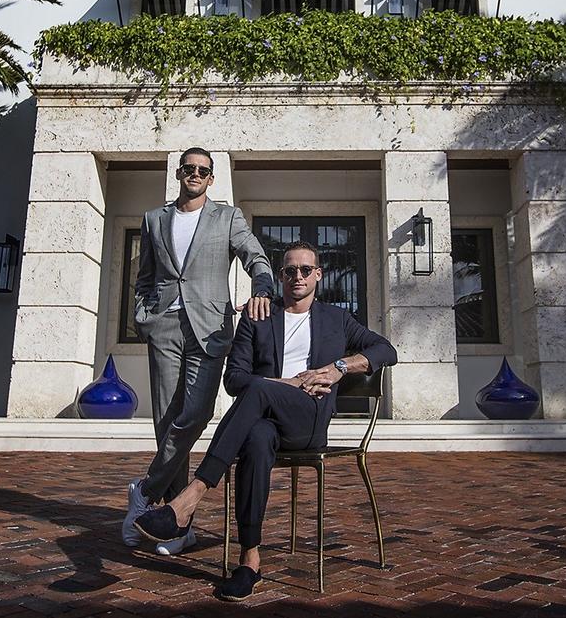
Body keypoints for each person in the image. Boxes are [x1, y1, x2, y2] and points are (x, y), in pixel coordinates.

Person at [134, 241, 397, 601]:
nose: (298, 277)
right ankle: (249, 562)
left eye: (306, 270)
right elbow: (235, 380)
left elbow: (386, 350)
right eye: (290, 270)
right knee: (256, 437)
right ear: (280, 276)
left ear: (318, 275)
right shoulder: (258, 318)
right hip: (266, 422)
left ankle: (188, 499)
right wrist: (285, 383)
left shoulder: (336, 319)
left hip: (309, 420)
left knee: (258, 392)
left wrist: (339, 368)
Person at [122, 147, 275, 556]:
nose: (195, 174)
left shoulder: (228, 218)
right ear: (179, 174)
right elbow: (145, 276)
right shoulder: (155, 219)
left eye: (203, 170)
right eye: (189, 168)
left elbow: (255, 256)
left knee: (197, 414)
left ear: (211, 179)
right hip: (164, 327)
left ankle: (145, 490)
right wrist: (144, 318)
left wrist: (262, 287)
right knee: (167, 419)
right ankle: (177, 525)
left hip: (208, 329)